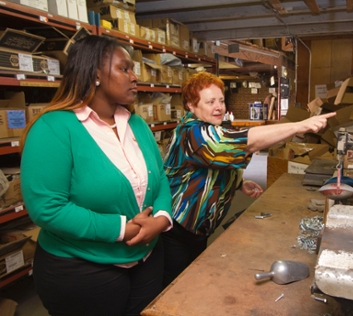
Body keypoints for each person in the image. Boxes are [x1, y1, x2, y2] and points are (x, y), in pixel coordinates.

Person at [20, 35, 173, 316]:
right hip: (81, 271)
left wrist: (161, 219)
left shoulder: (136, 123)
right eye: (124, 68)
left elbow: (160, 177)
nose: (134, 76)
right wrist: (120, 229)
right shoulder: (53, 128)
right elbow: (47, 208)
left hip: (147, 260)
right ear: (95, 74)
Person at [162, 72, 336, 287]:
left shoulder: (215, 128)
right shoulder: (191, 133)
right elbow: (240, 144)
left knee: (191, 280)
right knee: (174, 288)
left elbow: (216, 164)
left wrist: (238, 183)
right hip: (177, 231)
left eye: (221, 100)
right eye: (210, 102)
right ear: (191, 105)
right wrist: (299, 126)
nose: (218, 107)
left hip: (199, 228)